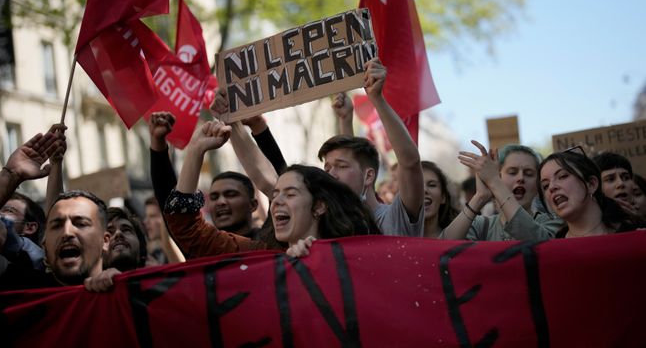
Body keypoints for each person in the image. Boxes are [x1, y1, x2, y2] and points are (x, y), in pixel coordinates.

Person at [164, 120, 379, 258]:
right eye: (275, 195)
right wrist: (195, 151)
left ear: (319, 206)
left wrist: (319, 261)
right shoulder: (263, 256)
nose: (276, 202)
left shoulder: (358, 252)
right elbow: (188, 230)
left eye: (290, 194)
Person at [0, 130, 118, 292]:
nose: (67, 232)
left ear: (105, 240)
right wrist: (11, 174)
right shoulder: (20, 288)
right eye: (56, 226)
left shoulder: (129, 297)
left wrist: (122, 286)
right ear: (45, 243)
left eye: (81, 223)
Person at [318, 58, 425, 236]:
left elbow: (410, 162)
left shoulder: (394, 219)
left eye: (341, 167)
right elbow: (351, 158)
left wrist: (377, 99)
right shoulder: (330, 225)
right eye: (327, 168)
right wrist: (345, 119)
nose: (331, 175)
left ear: (369, 176)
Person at [442, 142, 562, 241]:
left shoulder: (553, 222)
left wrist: (494, 181)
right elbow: (442, 248)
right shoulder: (481, 225)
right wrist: (480, 197)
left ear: (538, 185)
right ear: (499, 176)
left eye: (529, 174)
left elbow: (539, 244)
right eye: (512, 172)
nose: (520, 178)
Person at [539, 150, 643, 237]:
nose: (552, 187)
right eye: (545, 186)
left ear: (591, 184)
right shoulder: (553, 249)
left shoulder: (636, 234)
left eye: (562, 176)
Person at [142, 197, 185, 265]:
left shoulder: (183, 249)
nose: (145, 221)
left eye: (152, 216)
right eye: (146, 216)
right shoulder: (154, 253)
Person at [420, 161, 458, 238]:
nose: (424, 190)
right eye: (417, 185)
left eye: (432, 185)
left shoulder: (463, 235)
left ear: (443, 197)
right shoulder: (392, 234)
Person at [104, 207, 147, 272]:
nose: (118, 233)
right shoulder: (87, 282)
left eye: (126, 230)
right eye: (109, 232)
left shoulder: (163, 279)